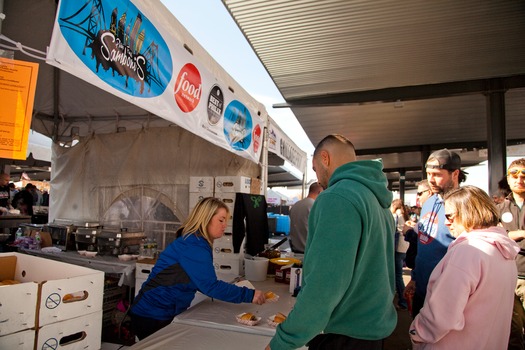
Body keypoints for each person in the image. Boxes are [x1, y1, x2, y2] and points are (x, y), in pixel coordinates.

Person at [267, 134, 397, 350]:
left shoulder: (337, 197)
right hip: (372, 329)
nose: (317, 178)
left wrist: (284, 341)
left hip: (344, 333)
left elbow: (324, 284)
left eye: (315, 168)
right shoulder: (375, 199)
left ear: (325, 158)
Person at [129, 197, 266, 340]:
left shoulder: (196, 241)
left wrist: (230, 289)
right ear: (206, 218)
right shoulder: (193, 245)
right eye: (221, 220)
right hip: (152, 314)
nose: (225, 225)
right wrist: (249, 295)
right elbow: (210, 287)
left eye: (226, 220)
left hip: (163, 312)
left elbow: (199, 281)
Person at [409, 185, 519, 349]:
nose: (446, 223)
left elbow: (441, 314)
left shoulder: (468, 251)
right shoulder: (504, 251)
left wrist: (416, 333)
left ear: (469, 213)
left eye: (450, 216)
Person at [404, 149, 467, 318]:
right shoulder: (429, 202)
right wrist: (415, 278)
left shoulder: (464, 205)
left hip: (446, 294)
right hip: (422, 289)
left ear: (455, 174)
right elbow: (423, 244)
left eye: (437, 174)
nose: (431, 180)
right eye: (429, 174)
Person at [497, 158, 525, 350]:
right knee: (512, 330)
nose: (519, 179)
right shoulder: (499, 208)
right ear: (507, 178)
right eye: (514, 174)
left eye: (524, 175)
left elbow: (504, 235)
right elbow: (496, 236)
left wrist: (509, 235)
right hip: (508, 275)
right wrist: (521, 233)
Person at [403, 180, 432, 270]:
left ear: (429, 193)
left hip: (424, 268)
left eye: (420, 193)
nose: (418, 197)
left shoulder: (433, 211)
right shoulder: (427, 209)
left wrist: (408, 232)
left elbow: (427, 239)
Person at [288, 182, 323, 254]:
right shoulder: (315, 205)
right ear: (319, 192)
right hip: (309, 252)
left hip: (295, 251)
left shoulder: (295, 205)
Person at [391, 198, 409, 310]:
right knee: (399, 274)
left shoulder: (397, 216)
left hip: (398, 248)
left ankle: (403, 301)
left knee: (398, 276)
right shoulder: (405, 215)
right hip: (405, 248)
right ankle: (403, 299)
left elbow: (393, 232)